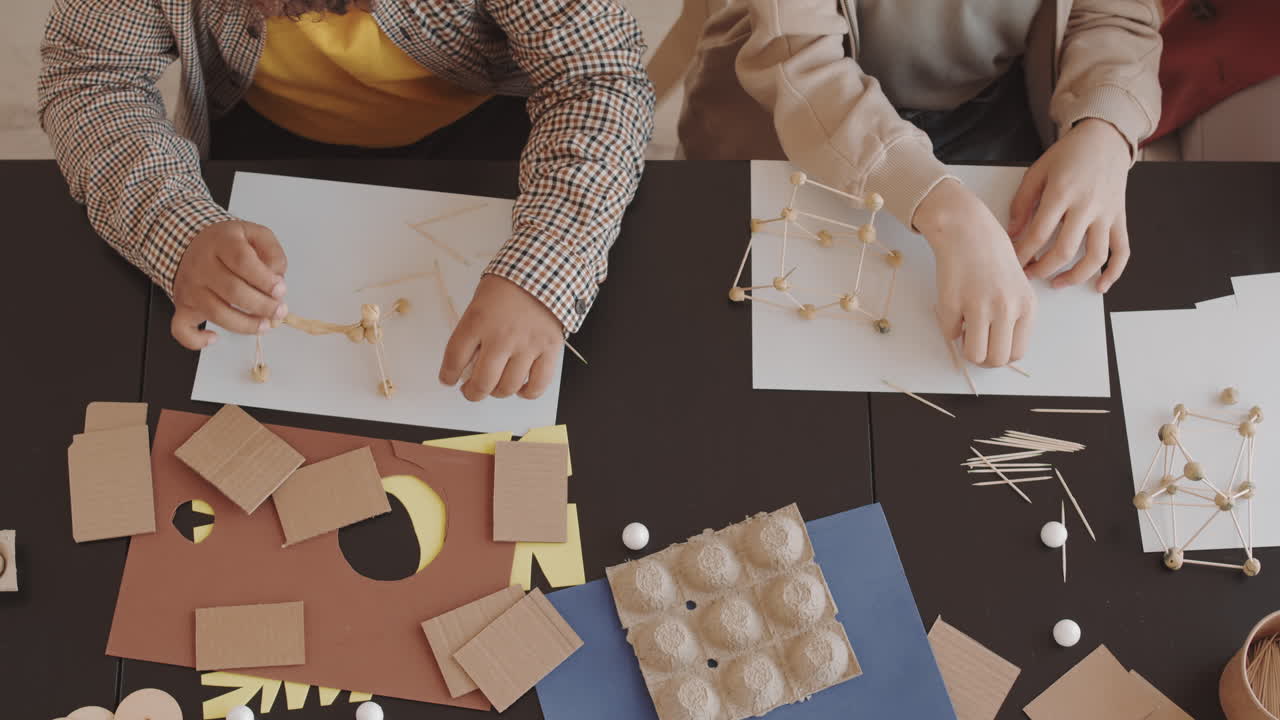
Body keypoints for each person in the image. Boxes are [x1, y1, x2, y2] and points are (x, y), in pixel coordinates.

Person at [38, 0, 655, 401]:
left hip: (488, 125)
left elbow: (599, 76)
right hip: (257, 130)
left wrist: (544, 266)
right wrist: (176, 227)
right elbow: (90, 79)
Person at [679, 0, 1162, 368]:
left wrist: (1106, 126)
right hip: (785, 118)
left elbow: (1116, 16)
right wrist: (948, 213)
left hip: (1001, 106)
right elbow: (800, 62)